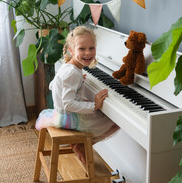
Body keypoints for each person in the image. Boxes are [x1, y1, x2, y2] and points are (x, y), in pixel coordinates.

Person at [35, 26, 119, 164]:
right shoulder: (73, 72)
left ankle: (79, 144)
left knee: (100, 115)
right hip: (69, 118)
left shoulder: (68, 66)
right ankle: (83, 144)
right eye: (82, 49)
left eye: (91, 48)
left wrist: (78, 82)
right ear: (71, 50)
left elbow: (52, 85)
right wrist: (95, 105)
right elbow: (68, 103)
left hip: (61, 114)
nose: (88, 53)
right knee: (114, 122)